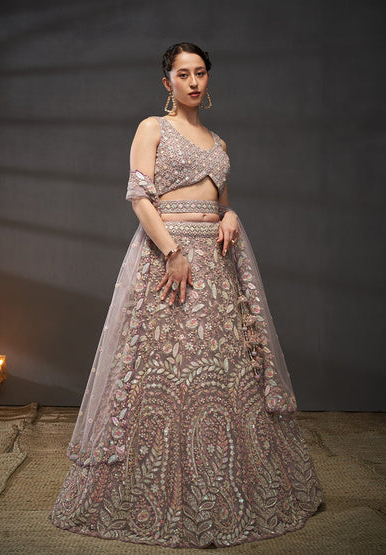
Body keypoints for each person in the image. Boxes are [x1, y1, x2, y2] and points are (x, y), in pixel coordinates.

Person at [49, 42, 322, 548]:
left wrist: (231, 215)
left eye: (200, 73)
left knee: (221, 371)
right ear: (167, 81)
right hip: (167, 258)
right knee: (161, 372)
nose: (193, 82)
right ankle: (153, 492)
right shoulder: (152, 128)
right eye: (183, 74)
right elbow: (139, 197)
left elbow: (219, 203)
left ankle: (226, 491)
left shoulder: (218, 142)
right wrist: (173, 252)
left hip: (215, 265)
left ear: (208, 78)